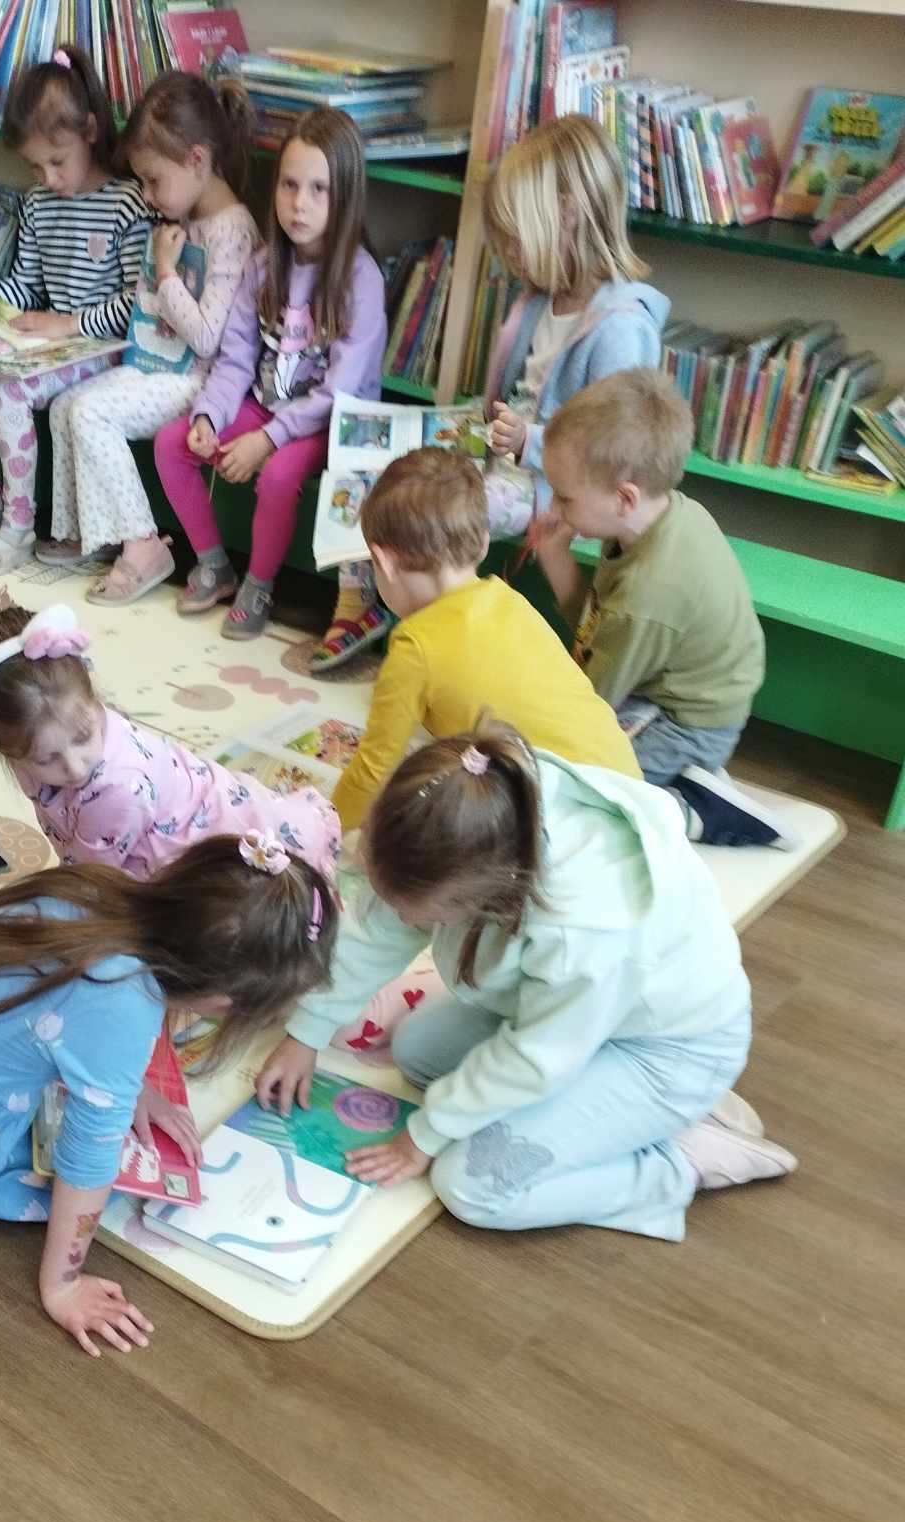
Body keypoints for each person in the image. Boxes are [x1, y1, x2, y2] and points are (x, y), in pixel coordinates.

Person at [257, 721, 796, 1242]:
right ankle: (634, 1110)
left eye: (418, 912)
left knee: (472, 1185)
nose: (401, 918)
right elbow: (377, 930)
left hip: (667, 1051)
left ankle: (678, 1162)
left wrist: (422, 1138)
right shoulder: (472, 814)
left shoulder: (584, 926)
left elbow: (536, 1057)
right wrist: (307, 1032)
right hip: (577, 1019)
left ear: (488, 897)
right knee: (417, 1052)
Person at [0, 834, 336, 1356]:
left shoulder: (100, 888)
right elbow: (88, 1161)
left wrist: (134, 1087)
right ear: (220, 999)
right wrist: (63, 1285)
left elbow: (60, 1015)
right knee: (62, 1181)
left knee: (51, 1075)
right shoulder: (120, 1003)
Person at [311, 113, 669, 675]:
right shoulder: (543, 298)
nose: (506, 251)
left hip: (553, 487)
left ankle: (423, 629)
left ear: (566, 214)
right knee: (378, 475)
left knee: (428, 507)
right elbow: (514, 393)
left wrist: (531, 441)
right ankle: (363, 602)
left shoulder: (621, 328)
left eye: (514, 236)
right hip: (502, 454)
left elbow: (618, 453)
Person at [153, 106, 386, 641]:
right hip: (266, 406)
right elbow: (236, 358)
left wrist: (268, 439)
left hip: (332, 424)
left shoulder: (362, 279)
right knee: (172, 443)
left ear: (346, 196)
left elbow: (340, 392)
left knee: (279, 475)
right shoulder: (262, 264)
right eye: (289, 185)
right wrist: (210, 416)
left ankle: (259, 586)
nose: (300, 203)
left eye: (319, 189)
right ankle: (215, 565)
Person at [0, 47, 154, 577]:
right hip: (50, 344)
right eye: (35, 165)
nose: (48, 177)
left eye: (57, 161)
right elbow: (25, 285)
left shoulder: (127, 202)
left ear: (90, 131)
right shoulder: (38, 203)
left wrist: (68, 324)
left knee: (8, 391)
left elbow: (135, 305)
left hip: (100, 349)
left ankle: (19, 525)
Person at [330, 446, 640, 833]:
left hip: (565, 819)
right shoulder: (511, 601)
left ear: (386, 562)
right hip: (631, 791)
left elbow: (373, 773)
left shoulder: (414, 647)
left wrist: (324, 827)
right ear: (483, 542)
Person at [534, 368, 782, 848]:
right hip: (662, 690)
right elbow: (597, 626)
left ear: (624, 498)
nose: (556, 509)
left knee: (579, 792)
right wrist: (555, 556)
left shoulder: (649, 593)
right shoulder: (662, 516)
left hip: (690, 725)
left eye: (564, 497)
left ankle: (694, 809)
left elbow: (590, 706)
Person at [40, 67, 258, 604]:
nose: (147, 194)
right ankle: (85, 531)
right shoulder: (176, 218)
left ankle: (143, 544)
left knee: (91, 413)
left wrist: (164, 272)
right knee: (65, 405)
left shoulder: (233, 229)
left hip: (199, 383)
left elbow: (207, 338)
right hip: (154, 365)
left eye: (154, 180)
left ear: (197, 161)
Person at [0, 601, 342, 878]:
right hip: (128, 843)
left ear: (93, 697)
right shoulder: (40, 738)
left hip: (228, 850)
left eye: (84, 736)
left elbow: (93, 883)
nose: (75, 767)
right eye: (47, 759)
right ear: (3, 747)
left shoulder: (119, 786)